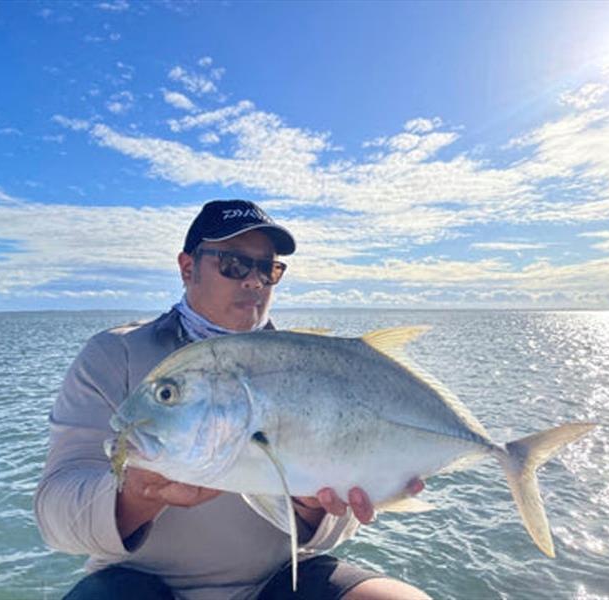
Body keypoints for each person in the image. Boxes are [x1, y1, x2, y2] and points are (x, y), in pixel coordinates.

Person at [35, 199, 431, 600]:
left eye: (267, 269)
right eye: (234, 263)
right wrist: (136, 496)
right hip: (137, 584)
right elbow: (55, 516)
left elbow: (331, 531)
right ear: (188, 268)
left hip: (282, 579)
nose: (254, 281)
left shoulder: (311, 367)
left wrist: (314, 508)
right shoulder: (114, 355)